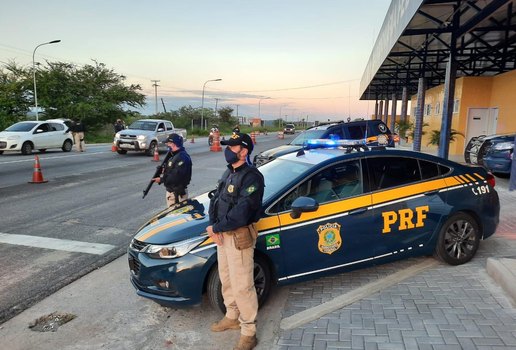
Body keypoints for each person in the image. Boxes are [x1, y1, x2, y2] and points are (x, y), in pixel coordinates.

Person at [207, 132, 264, 350]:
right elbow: (217, 199)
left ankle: (249, 331)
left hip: (238, 235)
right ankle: (231, 316)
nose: (228, 151)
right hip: (222, 235)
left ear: (244, 151)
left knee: (243, 285)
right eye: (228, 147)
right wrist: (213, 226)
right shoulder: (229, 172)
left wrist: (217, 227)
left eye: (232, 148)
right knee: (226, 278)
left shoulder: (252, 177)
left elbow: (242, 211)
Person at [153, 133, 192, 207]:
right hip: (174, 193)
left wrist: (161, 179)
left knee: (175, 217)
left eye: (168, 143)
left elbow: (175, 177)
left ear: (173, 144)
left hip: (177, 195)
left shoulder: (181, 157)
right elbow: (173, 171)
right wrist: (164, 170)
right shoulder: (176, 155)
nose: (167, 145)